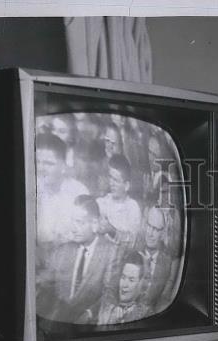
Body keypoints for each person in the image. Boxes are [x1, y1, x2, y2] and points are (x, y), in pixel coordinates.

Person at [37, 195, 119, 323]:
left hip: (89, 325)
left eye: (80, 222)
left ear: (95, 224)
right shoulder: (63, 250)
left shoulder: (110, 252)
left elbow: (110, 294)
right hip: (57, 321)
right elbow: (45, 281)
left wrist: (90, 313)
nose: (73, 228)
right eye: (72, 221)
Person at [35, 133, 89, 248]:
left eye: (48, 163)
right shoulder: (32, 190)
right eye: (37, 162)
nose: (40, 168)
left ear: (63, 166)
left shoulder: (79, 192)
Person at [137, 206, 180, 312]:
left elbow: (164, 299)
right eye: (149, 226)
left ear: (163, 234)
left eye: (156, 229)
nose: (150, 234)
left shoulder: (169, 263)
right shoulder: (134, 250)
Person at [90, 251, 150, 325]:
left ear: (141, 283)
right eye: (123, 277)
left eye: (131, 280)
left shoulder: (146, 313)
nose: (124, 285)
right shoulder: (106, 306)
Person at [97, 154, 143, 248]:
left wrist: (112, 230)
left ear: (126, 186)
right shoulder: (101, 203)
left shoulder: (132, 207)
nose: (111, 183)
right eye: (110, 178)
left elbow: (133, 241)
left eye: (116, 180)